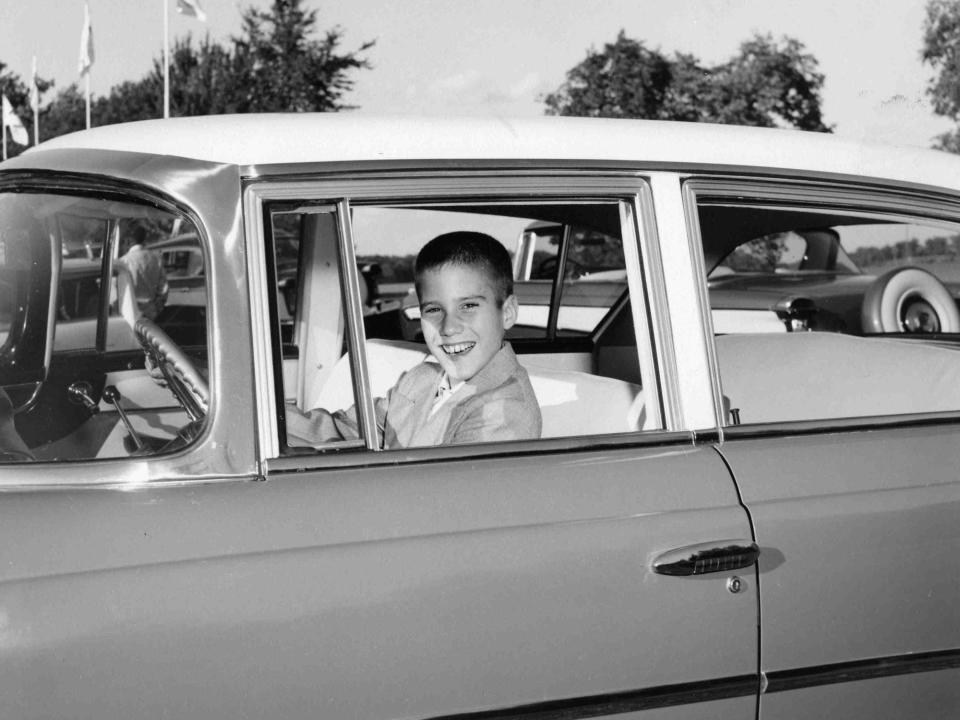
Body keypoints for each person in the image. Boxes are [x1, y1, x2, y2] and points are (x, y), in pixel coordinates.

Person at [287, 231, 542, 448]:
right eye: (433, 310)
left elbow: (441, 500)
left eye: (468, 306)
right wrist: (265, 418)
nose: (449, 327)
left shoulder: (506, 412)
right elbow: (350, 430)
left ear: (507, 313)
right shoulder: (422, 377)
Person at [116, 222, 168, 321]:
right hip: (151, 311)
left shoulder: (124, 261)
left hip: (130, 311)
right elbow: (164, 288)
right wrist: (157, 307)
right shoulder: (156, 258)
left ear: (130, 240)